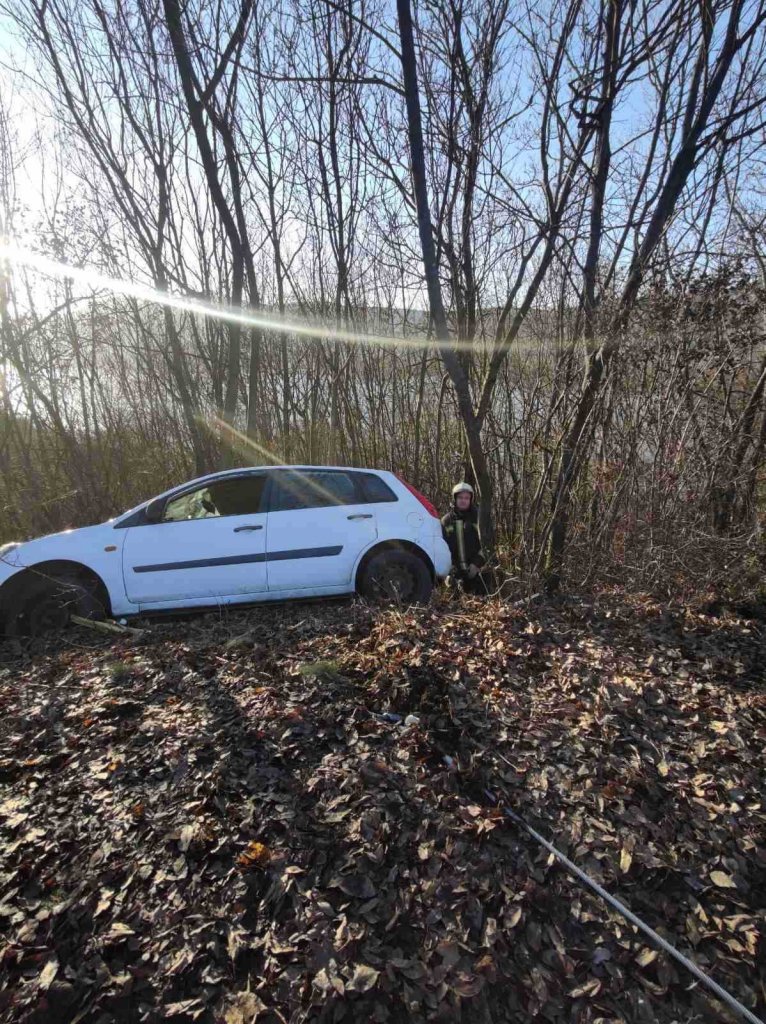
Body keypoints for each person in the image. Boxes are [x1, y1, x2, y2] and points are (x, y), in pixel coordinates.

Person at [441, 482, 488, 595]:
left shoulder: (479, 519)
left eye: (466, 498)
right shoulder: (446, 521)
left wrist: (476, 564)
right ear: (455, 499)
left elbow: (488, 544)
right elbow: (441, 547)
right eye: (460, 497)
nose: (463, 500)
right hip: (454, 571)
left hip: (476, 570)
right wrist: (449, 569)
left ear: (471, 500)